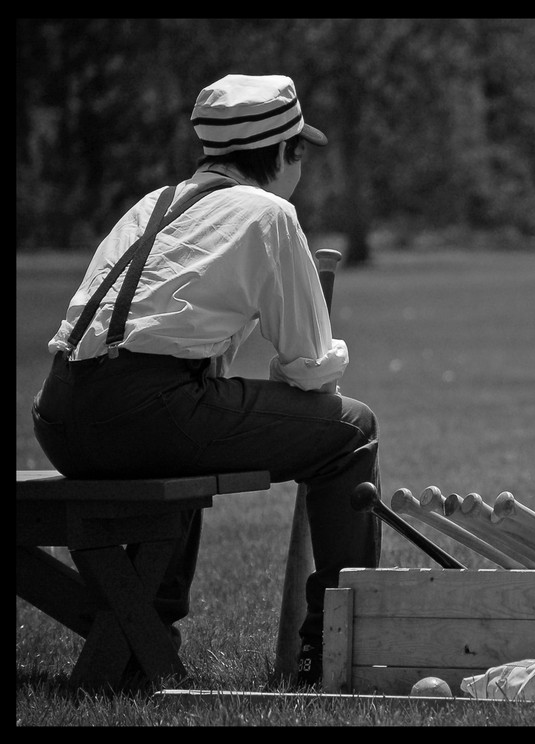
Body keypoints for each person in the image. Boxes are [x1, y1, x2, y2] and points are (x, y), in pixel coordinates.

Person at [30, 73, 381, 687]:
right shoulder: (270, 214)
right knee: (352, 429)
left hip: (59, 414)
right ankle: (332, 647)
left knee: (200, 413)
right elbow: (310, 365)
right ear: (284, 153)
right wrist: (301, 382)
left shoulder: (154, 203)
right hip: (146, 411)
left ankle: (143, 639)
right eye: (301, 152)